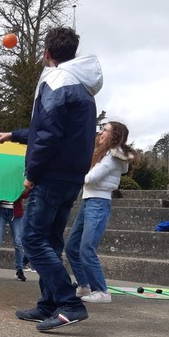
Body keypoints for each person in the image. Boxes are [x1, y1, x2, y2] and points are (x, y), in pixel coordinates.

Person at [0, 26, 102, 332]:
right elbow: (53, 131)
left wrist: (32, 175)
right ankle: (49, 304)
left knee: (32, 239)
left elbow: (49, 135)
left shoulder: (56, 82)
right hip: (70, 177)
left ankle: (69, 303)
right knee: (51, 241)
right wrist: (14, 134)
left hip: (51, 176)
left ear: (48, 53)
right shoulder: (80, 85)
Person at [65, 121, 136, 303]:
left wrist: (77, 170)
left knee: (86, 249)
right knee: (72, 246)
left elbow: (90, 178)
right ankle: (85, 285)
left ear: (115, 135)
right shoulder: (103, 154)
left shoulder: (112, 157)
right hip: (88, 202)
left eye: (105, 130)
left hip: (98, 203)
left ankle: (102, 291)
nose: (101, 132)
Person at [0, 190, 30, 281]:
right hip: (0, 211)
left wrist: (17, 192)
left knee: (18, 243)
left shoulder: (19, 178)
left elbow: (26, 194)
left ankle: (20, 270)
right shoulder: (0, 178)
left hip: (15, 212)